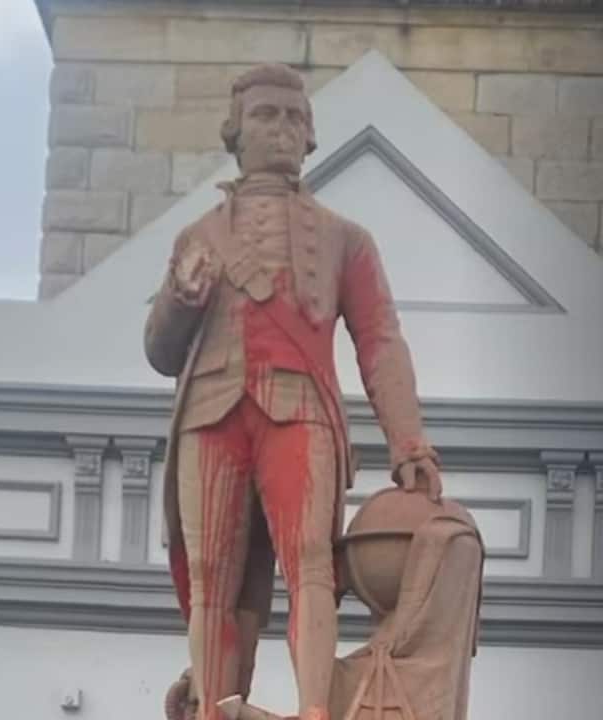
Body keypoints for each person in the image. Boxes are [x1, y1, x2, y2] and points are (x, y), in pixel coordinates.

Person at [143, 63, 442, 720]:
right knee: (212, 574)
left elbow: (380, 341)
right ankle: (216, 706)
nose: (281, 129)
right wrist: (180, 297)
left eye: (293, 118)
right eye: (265, 115)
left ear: (310, 137)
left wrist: (409, 440)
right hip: (209, 415)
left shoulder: (345, 240)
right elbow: (161, 352)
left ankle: (314, 711)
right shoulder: (197, 239)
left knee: (310, 564)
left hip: (298, 410)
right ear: (235, 131)